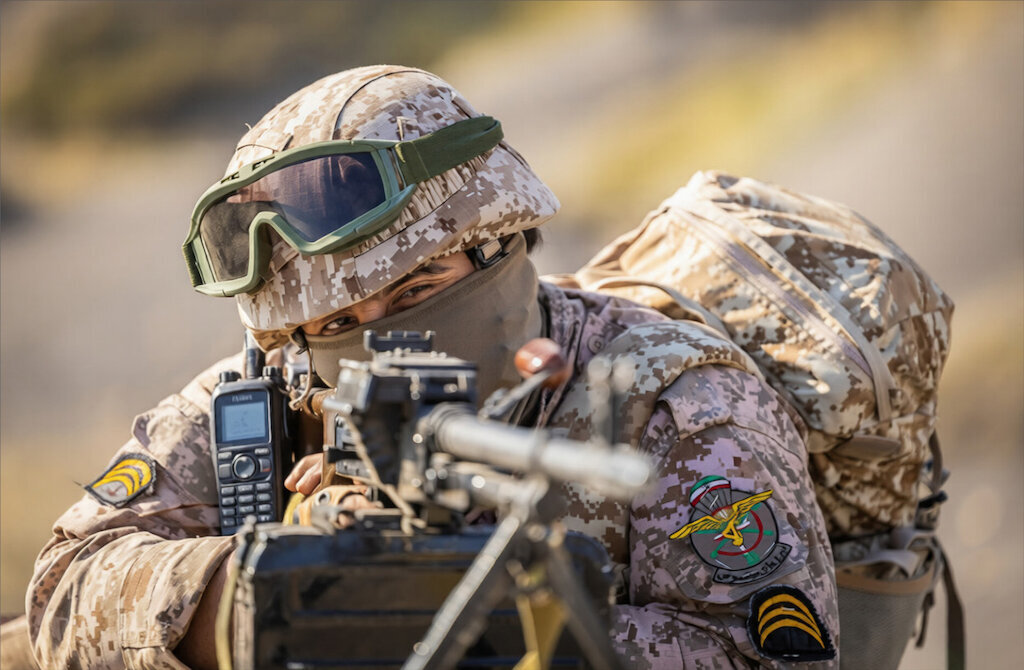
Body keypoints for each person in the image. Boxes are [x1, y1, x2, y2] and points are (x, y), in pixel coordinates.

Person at [27, 65, 839, 669]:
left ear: (503, 245)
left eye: (420, 288)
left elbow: (768, 654)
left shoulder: (676, 400)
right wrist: (251, 595)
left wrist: (479, 622)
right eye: (340, 322)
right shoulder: (260, 404)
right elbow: (64, 589)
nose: (382, 339)